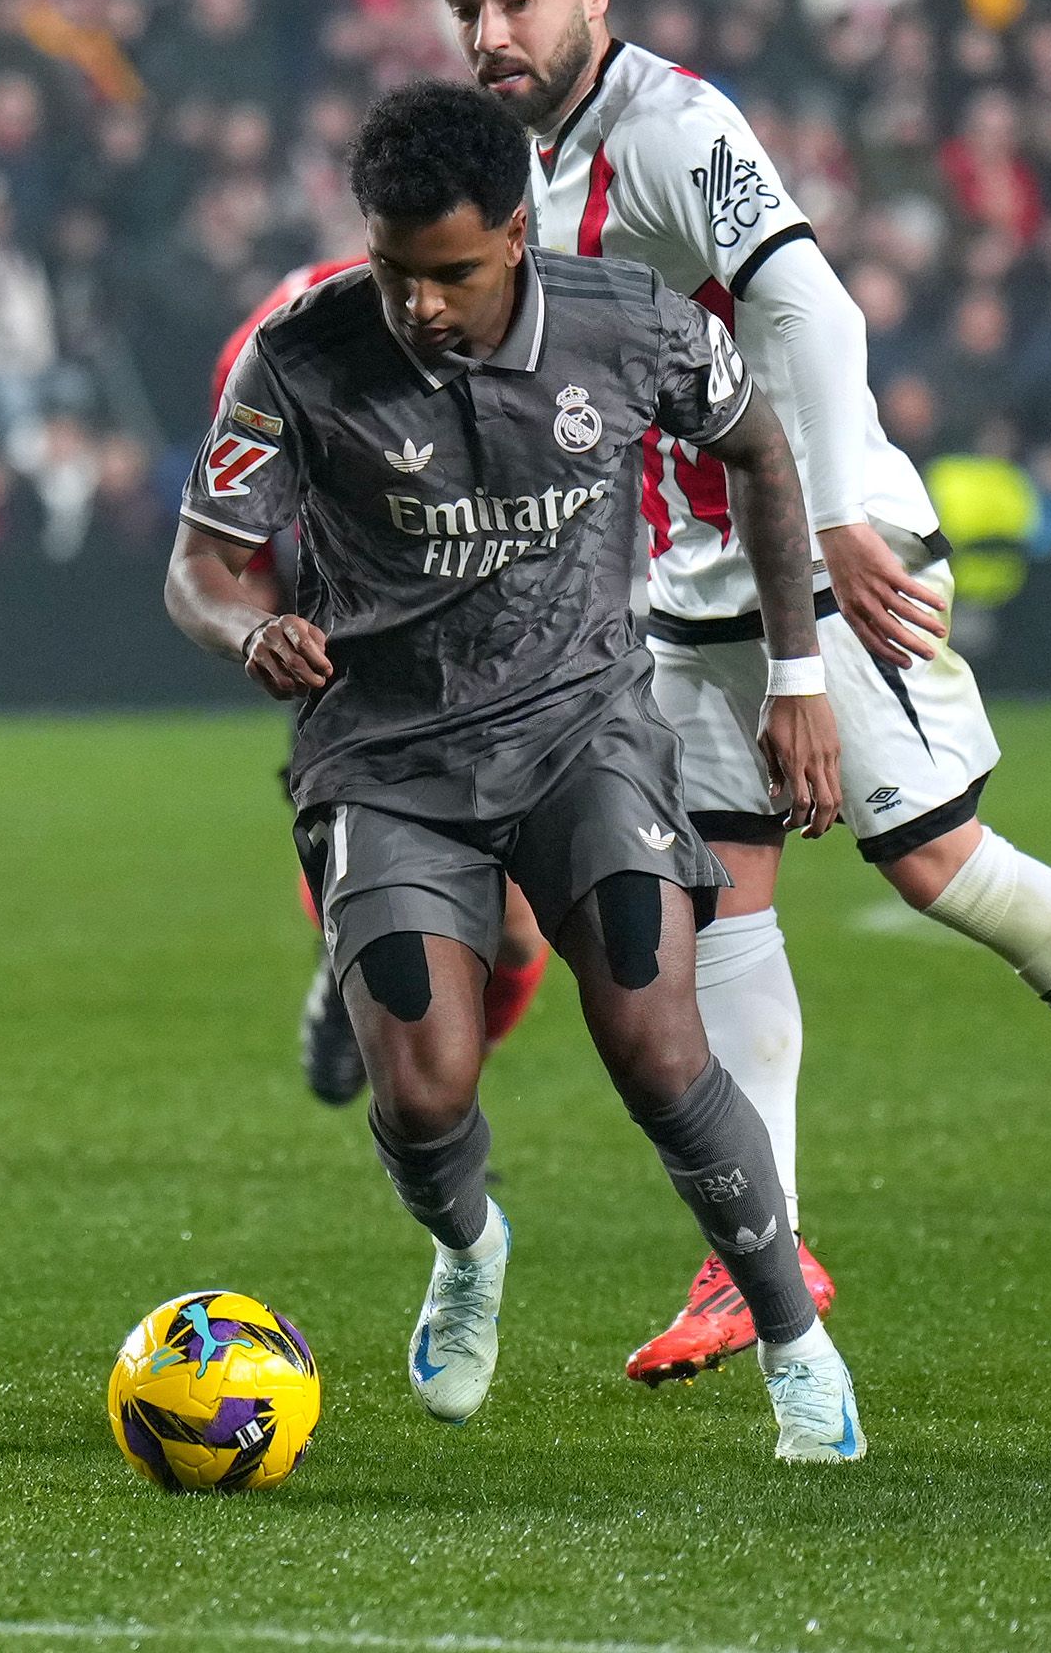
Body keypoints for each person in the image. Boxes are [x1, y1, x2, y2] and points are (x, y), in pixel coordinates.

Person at [427, 0, 1051, 1383]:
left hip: (829, 549)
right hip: (687, 586)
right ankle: (764, 1250)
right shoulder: (520, 167)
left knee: (936, 862)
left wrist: (828, 538)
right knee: (719, 907)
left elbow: (815, 309)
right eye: (468, 6)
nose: (490, 29)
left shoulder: (674, 128)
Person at [165, 79, 864, 1462]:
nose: (419, 303)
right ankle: (470, 1246)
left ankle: (796, 1342)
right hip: (386, 758)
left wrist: (797, 676)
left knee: (663, 1052)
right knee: (423, 1092)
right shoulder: (300, 356)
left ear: (515, 238)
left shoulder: (630, 323)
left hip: (582, 733)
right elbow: (197, 561)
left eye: (452, 272)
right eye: (393, 269)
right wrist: (251, 630)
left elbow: (761, 453)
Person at [212, 256, 554, 1105]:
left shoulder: (544, 319)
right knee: (373, 884)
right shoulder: (276, 342)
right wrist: (273, 637)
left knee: (513, 934)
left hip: (504, 654)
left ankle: (443, 1096)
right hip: (359, 662)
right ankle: (361, 985)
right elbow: (234, 536)